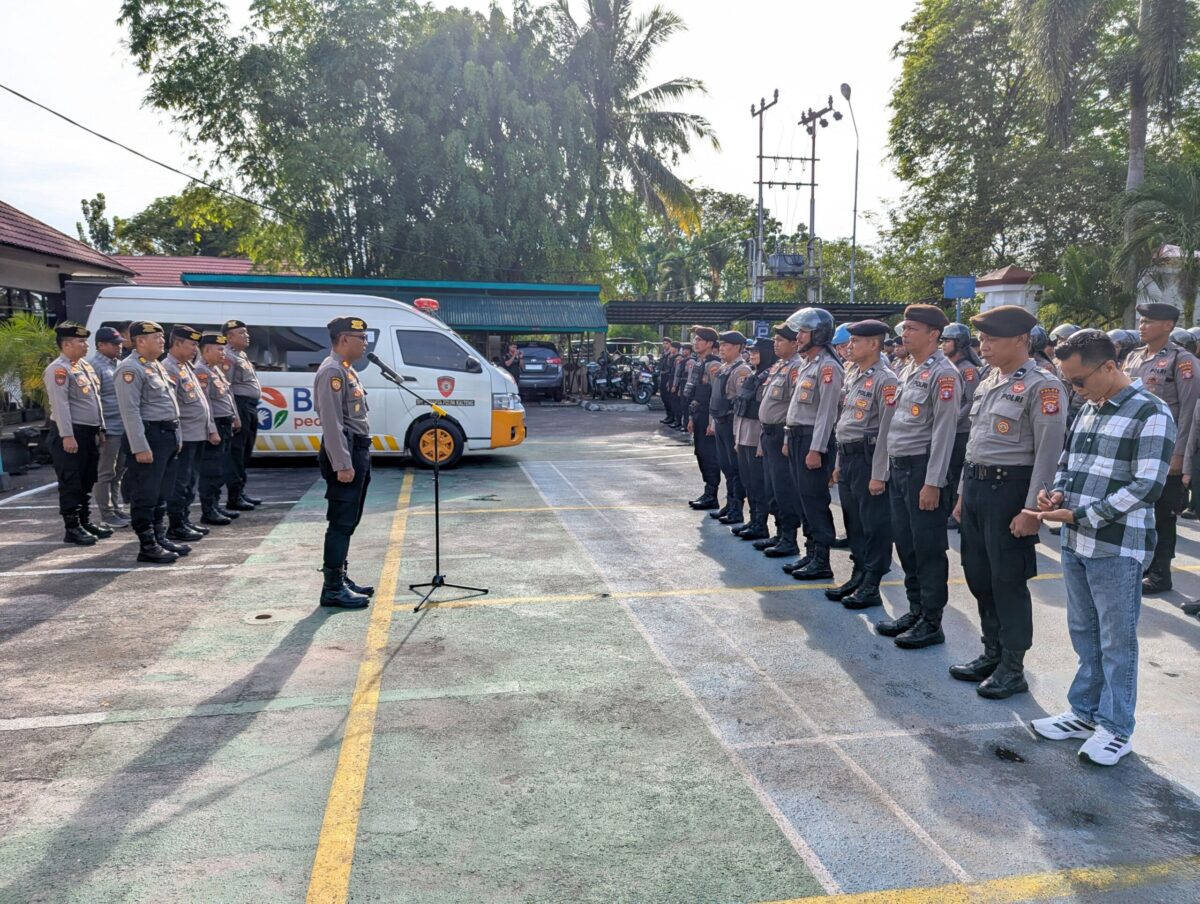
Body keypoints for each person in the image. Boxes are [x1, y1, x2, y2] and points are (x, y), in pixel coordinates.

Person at [1032, 329, 1175, 766]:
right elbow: (1068, 463)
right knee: (1084, 632)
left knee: (1116, 641)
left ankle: (1116, 727)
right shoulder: (1088, 408)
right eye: (1069, 382)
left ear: (1109, 366)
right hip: (1076, 539)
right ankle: (1084, 712)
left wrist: (1081, 514)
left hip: (1117, 545)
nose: (1074, 389)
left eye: (1078, 380)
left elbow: (1147, 486)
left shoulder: (1151, 411)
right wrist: (1056, 493)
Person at [949, 306, 1067, 698]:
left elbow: (1049, 452)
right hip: (978, 488)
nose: (983, 346)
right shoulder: (989, 380)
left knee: (1008, 582)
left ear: (1020, 340)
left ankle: (1013, 667)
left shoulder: (1043, 386)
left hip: (1010, 492)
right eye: (982, 339)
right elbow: (976, 444)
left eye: (992, 339)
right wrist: (963, 494)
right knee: (979, 575)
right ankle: (992, 653)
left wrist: (1033, 510)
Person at [876, 304, 962, 649]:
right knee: (906, 543)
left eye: (912, 328)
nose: (905, 333)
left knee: (927, 547)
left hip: (922, 470)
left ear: (933, 334)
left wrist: (933, 482)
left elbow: (944, 432)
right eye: (904, 327)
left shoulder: (944, 374)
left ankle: (931, 621)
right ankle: (915, 610)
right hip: (900, 467)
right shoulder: (908, 369)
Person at [1119, 303, 1198, 594]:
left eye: (1149, 321)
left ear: (1168, 325)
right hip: (1135, 448)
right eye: (1141, 321)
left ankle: (1160, 573)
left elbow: (1189, 411)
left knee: (1162, 514)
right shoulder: (1133, 357)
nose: (1142, 326)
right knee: (1136, 510)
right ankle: (1142, 565)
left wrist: (1180, 454)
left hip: (1165, 450)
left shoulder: (1182, 360)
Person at [827, 320, 898, 609]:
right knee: (854, 521)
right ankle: (858, 574)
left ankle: (872, 583)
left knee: (874, 524)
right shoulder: (853, 374)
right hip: (849, 457)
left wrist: (879, 473)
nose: (849, 346)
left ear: (874, 344)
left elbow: (887, 430)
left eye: (855, 341)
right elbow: (845, 422)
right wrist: (838, 462)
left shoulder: (886, 380)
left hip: (869, 460)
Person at [314, 316, 375, 609]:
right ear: (344, 339)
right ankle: (332, 588)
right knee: (340, 522)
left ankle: (341, 577)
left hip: (357, 449)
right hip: (346, 453)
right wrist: (342, 464)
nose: (365, 343)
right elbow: (332, 422)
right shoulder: (332, 371)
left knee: (349, 520)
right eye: (361, 338)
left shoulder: (347, 370)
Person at [115, 321, 184, 564]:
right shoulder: (130, 368)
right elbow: (130, 411)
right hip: (149, 437)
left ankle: (159, 537)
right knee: (146, 493)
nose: (162, 341)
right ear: (140, 341)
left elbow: (171, 406)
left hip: (166, 436)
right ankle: (147, 545)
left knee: (161, 492)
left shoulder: (156, 366)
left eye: (162, 336)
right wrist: (140, 447)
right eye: (157, 337)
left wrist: (177, 437)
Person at [783, 307, 843, 581]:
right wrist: (788, 438)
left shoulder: (829, 367)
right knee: (802, 498)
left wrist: (816, 449)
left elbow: (827, 414)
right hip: (798, 437)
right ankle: (810, 552)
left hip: (812, 440)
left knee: (815, 500)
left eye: (804, 332)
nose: (798, 336)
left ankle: (822, 560)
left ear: (818, 334)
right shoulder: (809, 364)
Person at [43, 322, 111, 545]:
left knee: (87, 479)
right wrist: (67, 435)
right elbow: (60, 405)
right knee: (71, 481)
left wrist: (100, 428)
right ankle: (72, 527)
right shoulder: (58, 369)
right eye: (81, 341)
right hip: (72, 434)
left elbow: (95, 400)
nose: (86, 345)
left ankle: (84, 521)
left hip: (89, 433)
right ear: (66, 345)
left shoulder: (83, 366)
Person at [163, 325, 218, 543]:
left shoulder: (186, 367)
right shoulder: (169, 368)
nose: (195, 349)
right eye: (192, 344)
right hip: (185, 436)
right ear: (177, 344)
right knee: (180, 482)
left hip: (197, 434)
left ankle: (184, 520)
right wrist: (176, 437)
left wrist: (210, 428)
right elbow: (171, 407)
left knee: (190, 481)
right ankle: (176, 525)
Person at [755, 324, 806, 559]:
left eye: (780, 340)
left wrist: (786, 438)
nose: (775, 344)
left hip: (780, 435)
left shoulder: (796, 367)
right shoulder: (780, 366)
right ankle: (779, 533)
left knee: (784, 488)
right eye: (775, 340)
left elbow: (794, 407)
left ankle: (789, 538)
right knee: (772, 487)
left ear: (794, 343)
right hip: (768, 434)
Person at [194, 332, 243, 526]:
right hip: (215, 424)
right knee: (211, 470)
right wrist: (211, 430)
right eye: (219, 349)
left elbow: (227, 396)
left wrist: (235, 417)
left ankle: (215, 505)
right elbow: (205, 403)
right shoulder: (201, 371)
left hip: (225, 423)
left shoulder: (215, 369)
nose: (223, 353)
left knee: (221, 467)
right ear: (206, 350)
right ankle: (208, 510)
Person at [732, 338, 777, 541]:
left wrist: (761, 442)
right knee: (748, 481)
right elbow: (741, 408)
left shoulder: (769, 376)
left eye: (757, 352)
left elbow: (764, 413)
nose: (752, 355)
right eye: (751, 352)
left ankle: (761, 523)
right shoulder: (753, 375)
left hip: (755, 437)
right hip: (743, 436)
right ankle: (753, 519)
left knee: (759, 483)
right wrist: (737, 438)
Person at [941, 322, 983, 530]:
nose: (943, 345)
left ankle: (958, 514)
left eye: (947, 341)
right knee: (948, 473)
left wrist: (953, 418)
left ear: (958, 343)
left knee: (957, 473)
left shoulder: (968, 370)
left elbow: (971, 400)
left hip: (961, 430)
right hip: (949, 430)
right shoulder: (949, 367)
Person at [87, 325, 129, 527]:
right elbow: (93, 400)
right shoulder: (94, 366)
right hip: (108, 428)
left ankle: (116, 509)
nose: (118, 347)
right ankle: (107, 513)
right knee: (105, 473)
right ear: (101, 345)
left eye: (119, 343)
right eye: (114, 344)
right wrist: (100, 428)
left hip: (122, 426)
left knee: (118, 472)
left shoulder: (118, 364)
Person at [220, 319, 263, 511]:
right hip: (240, 406)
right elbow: (226, 388)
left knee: (245, 451)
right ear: (229, 337)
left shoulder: (241, 355)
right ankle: (234, 496)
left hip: (250, 406)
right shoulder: (228, 357)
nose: (247, 336)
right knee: (236, 452)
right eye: (241, 333)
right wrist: (234, 415)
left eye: (246, 332)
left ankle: (240, 491)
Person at [710, 331, 751, 525]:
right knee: (725, 466)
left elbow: (741, 403)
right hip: (720, 422)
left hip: (731, 424)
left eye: (726, 345)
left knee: (735, 468)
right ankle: (730, 503)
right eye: (721, 345)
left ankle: (737, 509)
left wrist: (737, 431)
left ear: (737, 347)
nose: (721, 348)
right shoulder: (724, 368)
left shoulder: (741, 370)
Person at [684, 326, 723, 510]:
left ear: (709, 343)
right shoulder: (700, 363)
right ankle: (707, 491)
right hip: (698, 414)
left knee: (709, 455)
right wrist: (691, 418)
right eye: (695, 339)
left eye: (700, 340)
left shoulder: (713, 365)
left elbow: (716, 396)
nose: (696, 342)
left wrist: (712, 422)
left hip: (708, 417)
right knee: (700, 453)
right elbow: (695, 394)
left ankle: (712, 494)